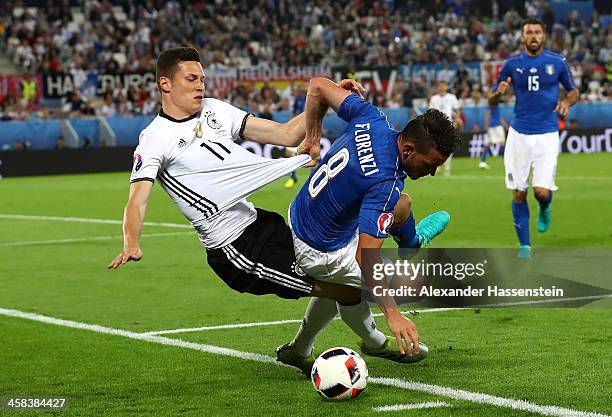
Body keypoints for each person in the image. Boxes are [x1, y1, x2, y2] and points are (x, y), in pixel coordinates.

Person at [106, 47, 394, 343]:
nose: (200, 85)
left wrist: (327, 98)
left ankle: (303, 349)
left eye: (202, 79)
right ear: (165, 84)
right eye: (191, 79)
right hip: (235, 250)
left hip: (262, 223)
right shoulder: (154, 140)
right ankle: (377, 343)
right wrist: (132, 243)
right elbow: (136, 200)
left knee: (340, 280)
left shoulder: (215, 110)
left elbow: (285, 135)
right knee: (346, 288)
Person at [276, 77, 460, 374]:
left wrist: (311, 137)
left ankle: (299, 349)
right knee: (381, 281)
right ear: (409, 150)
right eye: (431, 163)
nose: (434, 172)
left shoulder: (373, 117)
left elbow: (318, 86)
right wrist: (393, 314)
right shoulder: (385, 182)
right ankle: (374, 342)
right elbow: (365, 257)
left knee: (403, 205)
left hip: (303, 212)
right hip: (319, 248)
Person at [488, 18, 579, 258]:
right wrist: (498, 94)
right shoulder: (511, 64)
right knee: (519, 192)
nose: (533, 36)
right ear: (522, 37)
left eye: (537, 32)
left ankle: (545, 207)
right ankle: (525, 246)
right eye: (529, 32)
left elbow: (573, 92)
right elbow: (491, 100)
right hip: (518, 135)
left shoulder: (557, 62)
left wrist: (566, 103)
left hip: (547, 135)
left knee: (541, 192)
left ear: (544, 36)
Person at [429, 80, 461, 175]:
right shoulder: (434, 99)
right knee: (436, 147)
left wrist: (456, 120)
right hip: (437, 126)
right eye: (440, 85)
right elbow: (430, 112)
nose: (442, 87)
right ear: (438, 87)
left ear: (446, 87)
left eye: (444, 85)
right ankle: (436, 166)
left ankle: (447, 168)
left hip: (448, 125)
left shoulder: (451, 97)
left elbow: (457, 110)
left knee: (448, 147)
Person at [479, 85, 508, 169]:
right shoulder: (493, 102)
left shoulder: (494, 102)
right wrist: (486, 125)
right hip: (495, 125)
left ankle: (483, 162)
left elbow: (498, 116)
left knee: (490, 143)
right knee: (503, 142)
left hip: (495, 125)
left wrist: (504, 124)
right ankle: (505, 161)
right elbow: (488, 114)